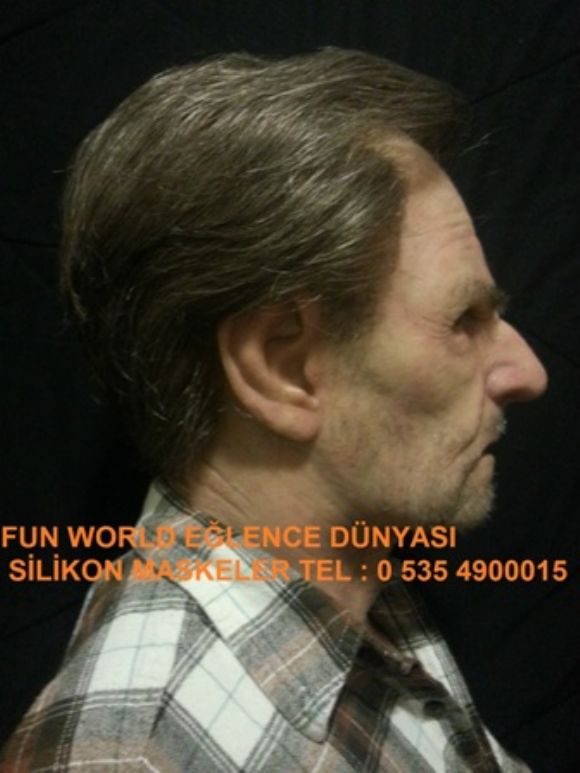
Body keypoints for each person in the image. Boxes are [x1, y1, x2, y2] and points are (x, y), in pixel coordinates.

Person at [1, 48, 547, 772]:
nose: (528, 373)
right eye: (464, 319)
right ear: (280, 368)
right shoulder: (138, 756)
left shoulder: (352, 570)